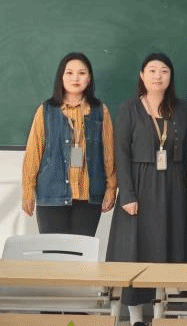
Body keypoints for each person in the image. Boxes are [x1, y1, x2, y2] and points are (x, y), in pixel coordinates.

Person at [106, 53, 187, 326]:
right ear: (142, 76)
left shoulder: (181, 109)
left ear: (170, 77)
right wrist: (127, 194)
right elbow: (121, 153)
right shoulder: (129, 108)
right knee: (136, 251)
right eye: (152, 70)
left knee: (169, 249)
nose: (158, 75)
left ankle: (161, 317)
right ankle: (135, 318)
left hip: (173, 187)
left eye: (164, 70)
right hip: (139, 187)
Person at [21, 52, 116, 236]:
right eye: (69, 73)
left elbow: (109, 153)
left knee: (81, 251)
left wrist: (111, 188)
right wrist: (27, 190)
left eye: (81, 73)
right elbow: (34, 152)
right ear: (61, 77)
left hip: (88, 197)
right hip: (51, 195)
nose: (75, 78)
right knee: (54, 251)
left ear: (89, 78)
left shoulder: (100, 111)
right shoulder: (46, 110)